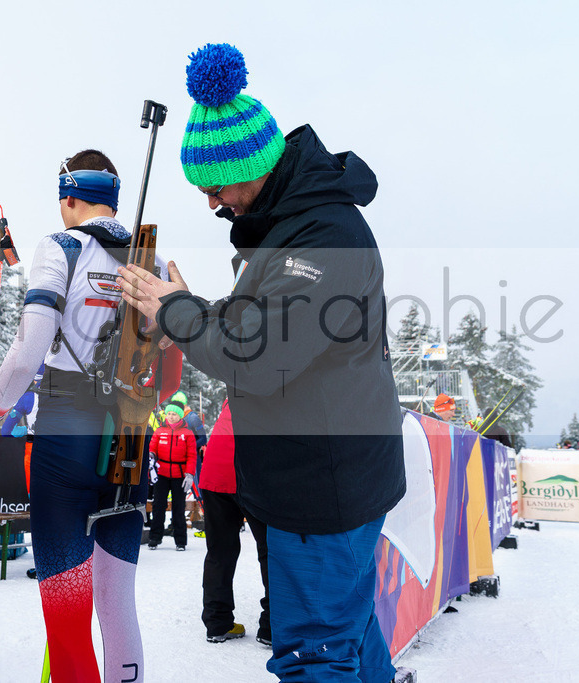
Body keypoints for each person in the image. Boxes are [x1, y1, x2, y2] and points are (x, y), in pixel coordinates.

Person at [117, 43, 405, 681]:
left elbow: (262, 353)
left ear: (248, 165)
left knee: (316, 656)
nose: (215, 204)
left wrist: (178, 312)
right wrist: (188, 314)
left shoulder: (323, 235)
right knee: (350, 639)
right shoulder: (293, 226)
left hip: (323, 489)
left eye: (216, 188)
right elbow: (260, 321)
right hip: (325, 477)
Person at [0, 149, 178, 683]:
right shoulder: (147, 257)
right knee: (117, 604)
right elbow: (171, 373)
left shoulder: (60, 244)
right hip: (131, 431)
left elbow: (31, 342)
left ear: (69, 198)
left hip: (67, 429)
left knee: (66, 612)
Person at [198, 399, 271, 646]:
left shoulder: (233, 392)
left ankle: (217, 623)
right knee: (271, 552)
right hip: (250, 475)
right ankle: (271, 627)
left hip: (214, 474)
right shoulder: (272, 389)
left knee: (219, 552)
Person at [147, 403, 197, 550]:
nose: (171, 416)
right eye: (169, 413)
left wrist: (189, 474)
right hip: (161, 473)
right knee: (158, 506)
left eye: (174, 414)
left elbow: (192, 456)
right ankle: (155, 538)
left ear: (180, 416)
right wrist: (151, 456)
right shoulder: (160, 430)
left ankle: (180, 541)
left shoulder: (188, 433)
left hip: (179, 475)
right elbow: (152, 448)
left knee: (178, 508)